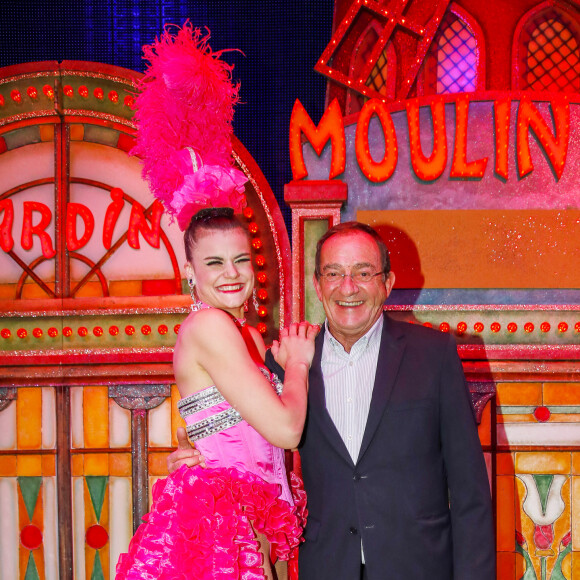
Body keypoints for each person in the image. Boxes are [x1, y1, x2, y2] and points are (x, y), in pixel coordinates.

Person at [169, 220, 495, 580]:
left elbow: (471, 496)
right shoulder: (286, 361)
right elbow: (257, 442)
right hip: (325, 567)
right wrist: (199, 465)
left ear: (387, 283)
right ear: (317, 285)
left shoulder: (434, 355)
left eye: (363, 272)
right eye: (334, 273)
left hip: (419, 568)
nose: (348, 287)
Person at [116, 208, 317, 579]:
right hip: (219, 529)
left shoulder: (248, 337)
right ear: (190, 271)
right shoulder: (208, 325)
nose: (232, 273)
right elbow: (287, 431)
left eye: (241, 259)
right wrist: (298, 365)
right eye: (215, 262)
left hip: (249, 525)